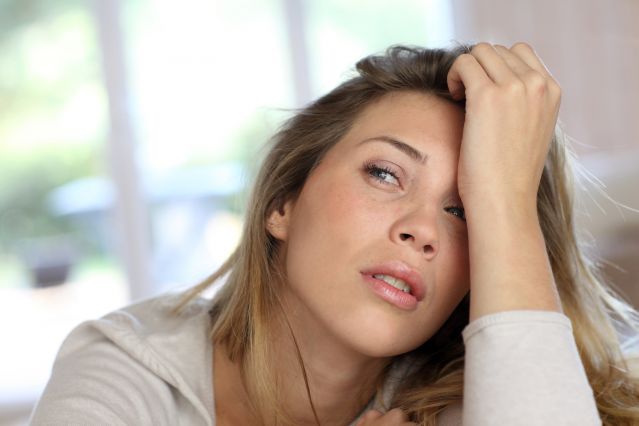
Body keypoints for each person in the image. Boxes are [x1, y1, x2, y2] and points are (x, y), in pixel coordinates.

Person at [30, 42, 639, 425]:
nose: (422, 231)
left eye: (465, 211)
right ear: (283, 204)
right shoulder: (126, 374)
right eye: (385, 174)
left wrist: (506, 200)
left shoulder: (468, 397)